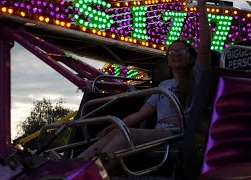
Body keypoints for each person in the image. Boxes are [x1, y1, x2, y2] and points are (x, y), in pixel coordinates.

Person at [77, 0, 211, 160]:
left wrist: (201, 7)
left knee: (125, 136)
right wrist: (112, 125)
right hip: (159, 134)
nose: (176, 54)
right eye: (171, 52)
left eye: (181, 51)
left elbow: (205, 45)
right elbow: (140, 114)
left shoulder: (197, 76)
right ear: (167, 60)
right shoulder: (163, 85)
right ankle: (74, 164)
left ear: (191, 58)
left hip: (178, 135)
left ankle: (91, 169)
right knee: (116, 132)